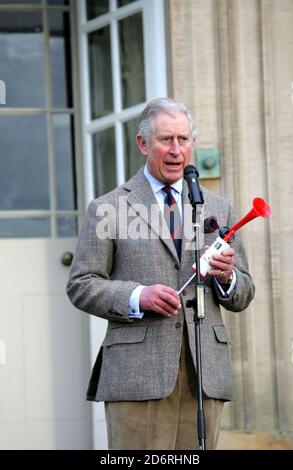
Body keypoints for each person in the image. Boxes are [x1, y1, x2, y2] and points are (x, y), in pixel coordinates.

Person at [66, 98, 255, 450]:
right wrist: (138, 296)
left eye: (183, 140)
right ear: (143, 143)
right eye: (165, 139)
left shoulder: (218, 207)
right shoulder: (107, 207)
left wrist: (228, 278)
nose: (176, 150)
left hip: (204, 376)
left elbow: (243, 292)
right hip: (137, 375)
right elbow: (81, 284)